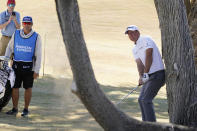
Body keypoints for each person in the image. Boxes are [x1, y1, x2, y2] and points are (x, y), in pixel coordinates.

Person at [125, 25, 165, 122]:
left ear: (138, 32)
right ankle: (145, 124)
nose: (131, 35)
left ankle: (151, 126)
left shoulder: (146, 39)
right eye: (129, 34)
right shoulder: (134, 49)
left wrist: (146, 73)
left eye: (133, 32)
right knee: (141, 99)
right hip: (149, 76)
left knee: (146, 100)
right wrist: (141, 76)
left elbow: (149, 54)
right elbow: (139, 63)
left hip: (158, 74)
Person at [5, 16, 42, 117]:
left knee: (28, 88)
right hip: (16, 65)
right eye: (25, 23)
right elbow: (9, 47)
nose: (26, 25)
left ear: (32, 24)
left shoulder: (36, 36)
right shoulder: (16, 33)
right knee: (15, 87)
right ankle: (15, 109)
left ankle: (25, 109)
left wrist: (37, 70)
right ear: (22, 24)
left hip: (29, 67)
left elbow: (38, 55)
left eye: (28, 23)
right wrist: (6, 60)